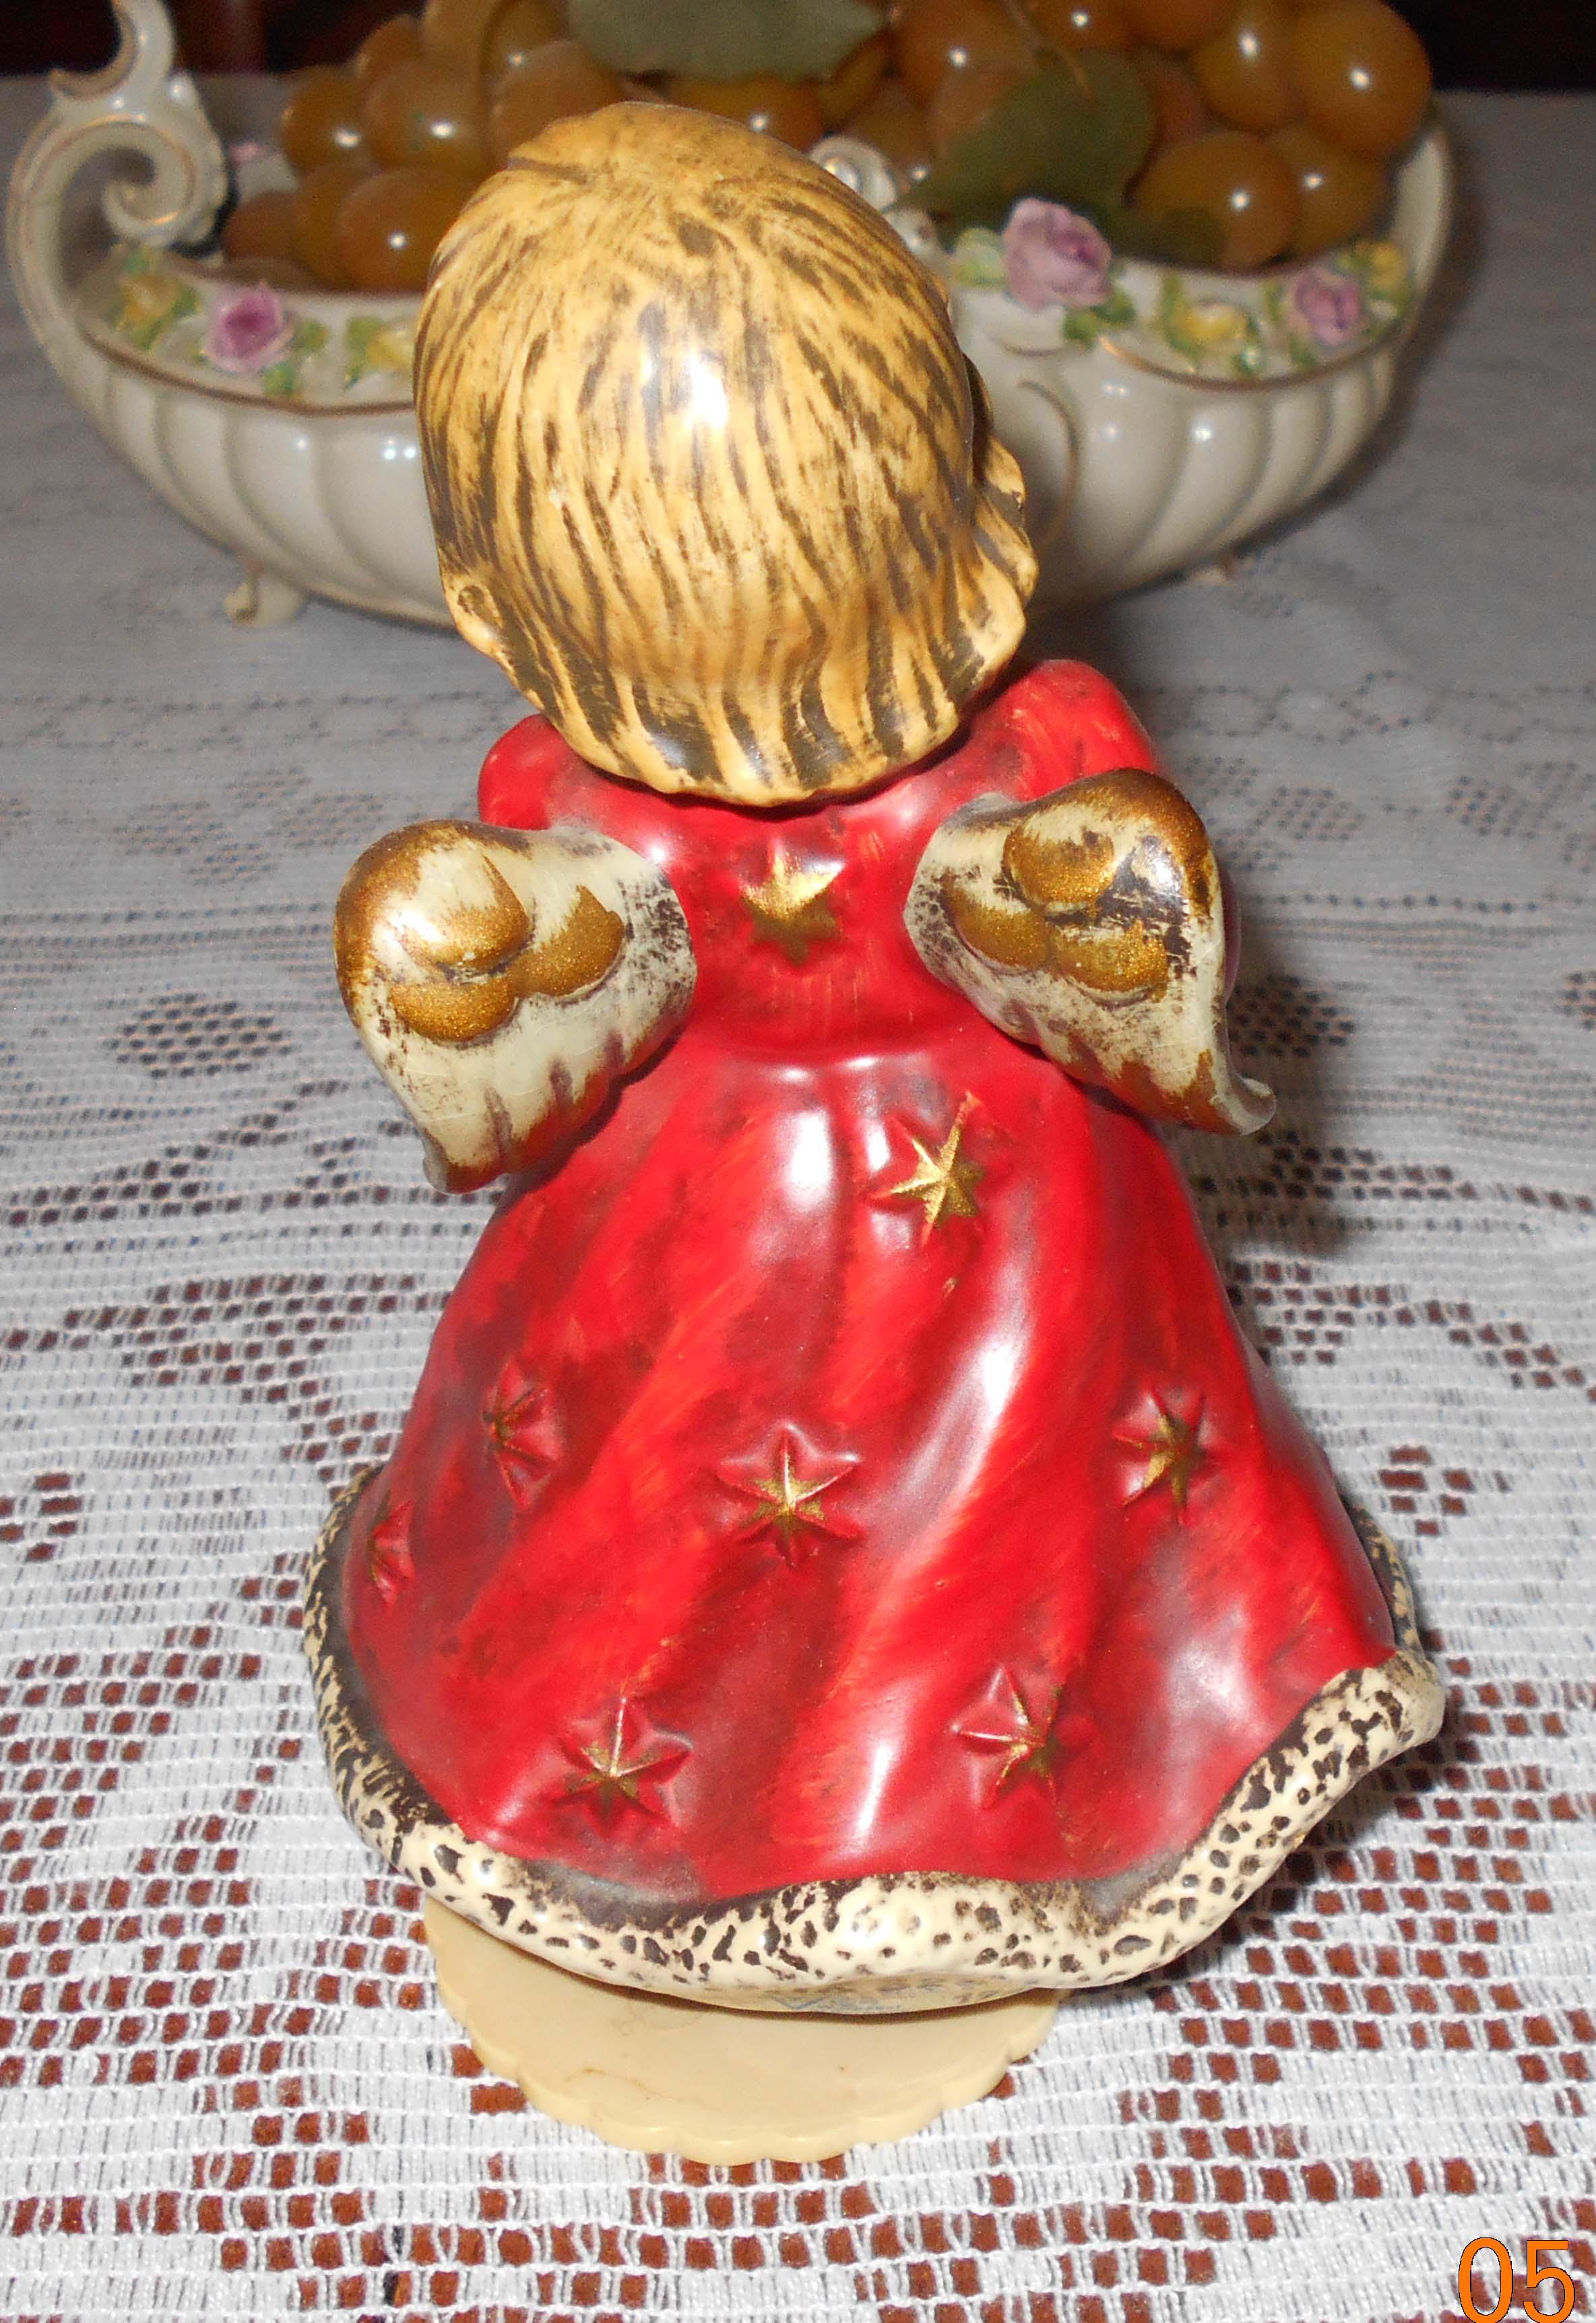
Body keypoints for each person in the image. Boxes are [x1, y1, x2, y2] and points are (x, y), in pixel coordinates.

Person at [307, 102, 1441, 2012]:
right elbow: (1119, 945)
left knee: (672, 1544)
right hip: (999, 1239)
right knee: (969, 1538)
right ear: (979, 480)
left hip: (694, 1240)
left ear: (493, 594)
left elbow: (529, 1030)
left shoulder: (570, 812)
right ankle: (917, 1823)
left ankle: (801, 1830)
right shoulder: (1036, 764)